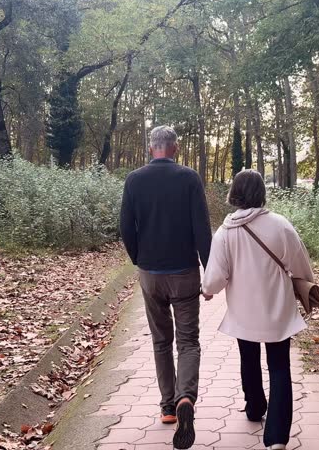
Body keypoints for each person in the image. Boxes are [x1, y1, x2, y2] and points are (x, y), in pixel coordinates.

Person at [201, 170, 315, 450]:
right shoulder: (280, 225)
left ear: (234, 194)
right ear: (262, 192)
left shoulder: (225, 231)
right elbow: (300, 264)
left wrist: (208, 290)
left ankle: (254, 407)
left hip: (243, 308)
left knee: (248, 357)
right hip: (277, 306)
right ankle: (276, 437)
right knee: (279, 366)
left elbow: (216, 276)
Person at [119, 125, 212, 450]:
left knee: (161, 341)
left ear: (150, 148)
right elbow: (202, 228)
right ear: (176, 147)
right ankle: (186, 397)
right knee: (188, 342)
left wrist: (139, 259)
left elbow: (125, 227)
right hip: (184, 271)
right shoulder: (189, 179)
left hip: (151, 273)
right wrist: (209, 270)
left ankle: (168, 407)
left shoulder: (134, 180)